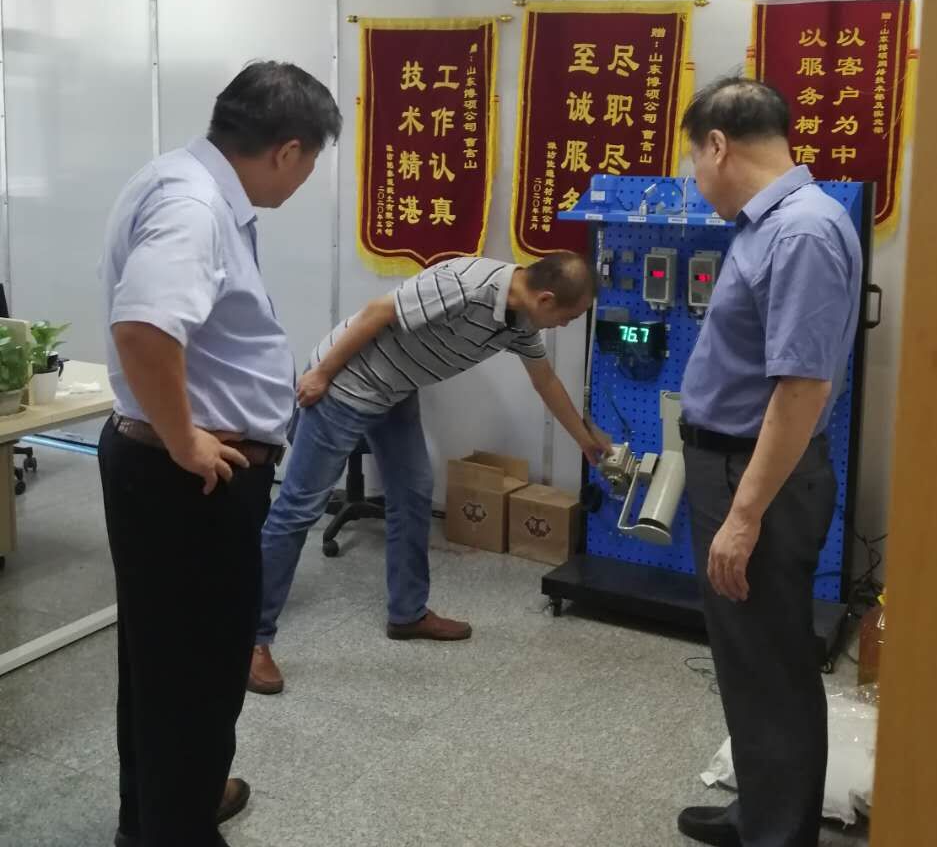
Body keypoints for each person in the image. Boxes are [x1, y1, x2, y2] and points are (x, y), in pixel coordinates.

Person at [99, 61, 341, 847]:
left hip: (170, 470)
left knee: (162, 661)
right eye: (310, 162)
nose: (304, 179)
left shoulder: (179, 178)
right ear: (288, 150)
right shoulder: (196, 205)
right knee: (198, 671)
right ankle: (177, 825)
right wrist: (186, 440)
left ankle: (161, 811)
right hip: (189, 479)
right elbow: (144, 327)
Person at [248, 252, 606, 694]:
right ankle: (250, 638)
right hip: (346, 384)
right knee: (299, 508)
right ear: (546, 299)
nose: (566, 325)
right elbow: (378, 312)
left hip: (395, 390)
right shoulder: (466, 284)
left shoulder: (522, 322)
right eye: (569, 316)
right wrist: (321, 373)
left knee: (414, 491)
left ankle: (408, 613)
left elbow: (545, 381)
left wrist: (584, 439)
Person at [675, 78, 862, 847]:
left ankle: (779, 836)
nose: (695, 178)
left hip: (756, 480)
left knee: (772, 667)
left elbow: (802, 387)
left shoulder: (802, 232)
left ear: (718, 145)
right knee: (748, 661)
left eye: (694, 159)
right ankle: (760, 813)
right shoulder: (771, 226)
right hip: (734, 468)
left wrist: (745, 514)